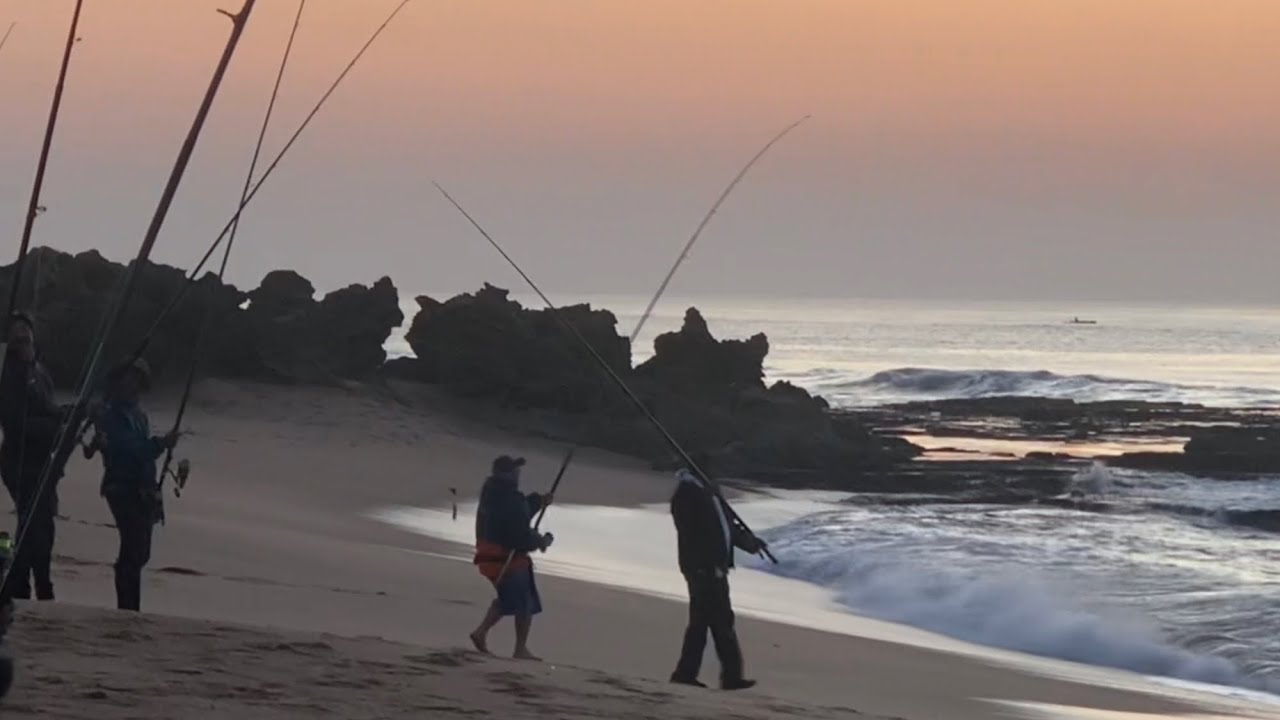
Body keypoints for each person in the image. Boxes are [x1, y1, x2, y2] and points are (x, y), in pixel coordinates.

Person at [669, 452, 762, 691]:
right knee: (714, 622)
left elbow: (726, 528)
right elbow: (696, 534)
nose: (716, 473)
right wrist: (706, 566)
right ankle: (723, 676)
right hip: (703, 569)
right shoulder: (688, 494)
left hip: (714, 568)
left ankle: (699, 673)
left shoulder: (707, 492)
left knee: (710, 621)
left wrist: (750, 543)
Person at [90, 357, 177, 612]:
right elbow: (127, 451)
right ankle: (127, 608)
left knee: (140, 552)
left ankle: (130, 607)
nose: (133, 384)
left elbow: (142, 453)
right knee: (133, 547)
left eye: (138, 380)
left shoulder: (139, 415)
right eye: (129, 378)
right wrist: (160, 445)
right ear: (118, 382)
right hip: (120, 486)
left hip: (143, 489)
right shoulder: (110, 415)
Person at [0, 312, 72, 601]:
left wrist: (66, 414)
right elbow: (16, 423)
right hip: (19, 462)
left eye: (26, 331)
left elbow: (48, 408)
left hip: (43, 462)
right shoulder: (11, 375)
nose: (23, 336)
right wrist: (54, 425)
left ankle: (37, 583)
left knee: (44, 525)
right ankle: (22, 585)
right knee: (33, 525)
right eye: (16, 333)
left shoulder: (40, 371)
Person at [469, 455, 554, 660]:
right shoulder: (508, 498)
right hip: (505, 559)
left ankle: (480, 633)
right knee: (523, 602)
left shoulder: (492, 492)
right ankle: (520, 649)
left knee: (509, 598)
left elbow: (518, 511)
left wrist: (537, 501)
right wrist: (542, 542)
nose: (518, 474)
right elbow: (520, 535)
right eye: (515, 470)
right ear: (508, 474)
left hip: (488, 557)